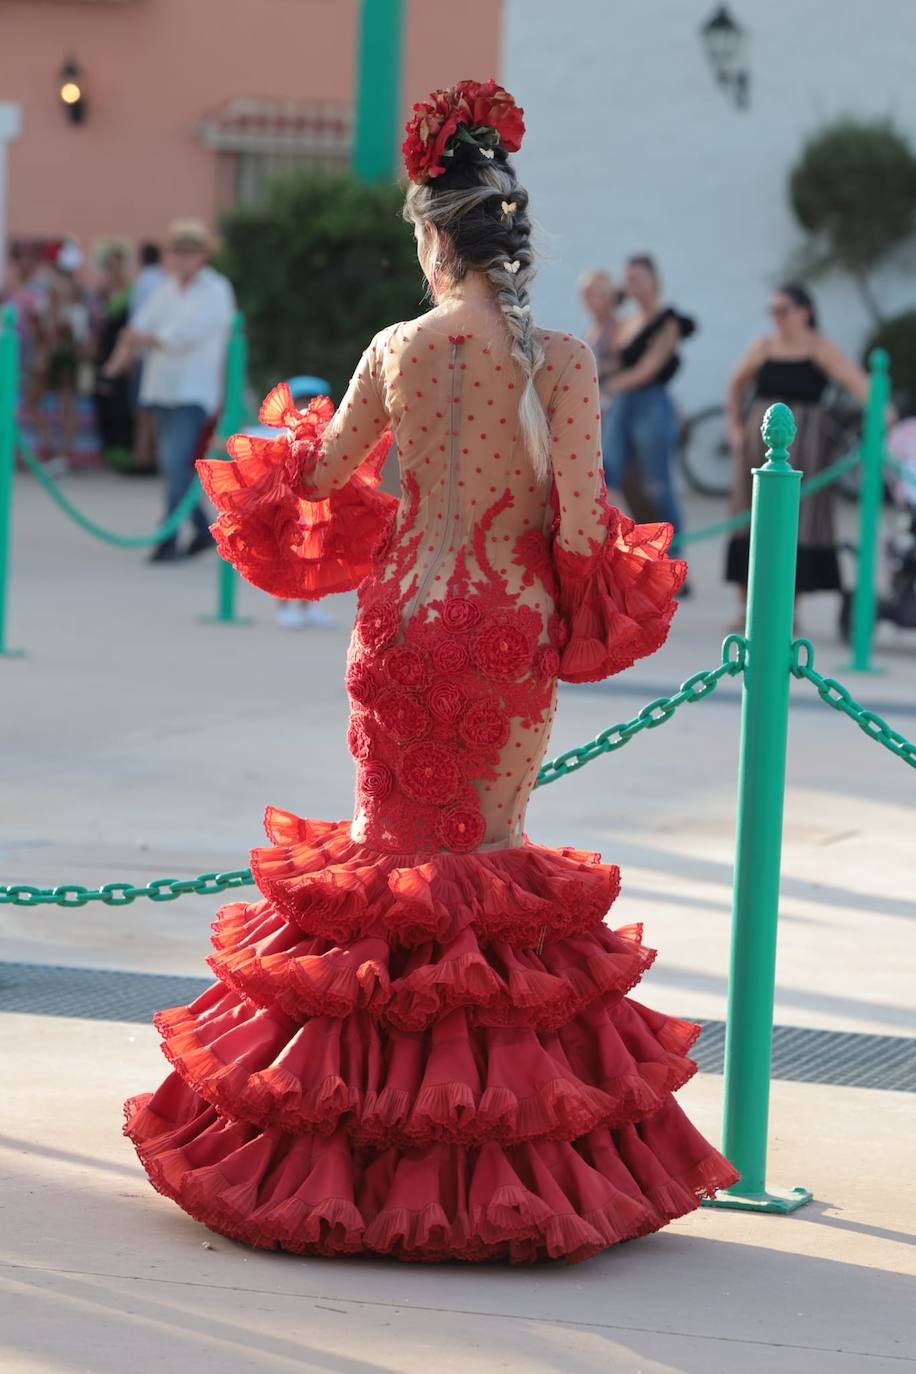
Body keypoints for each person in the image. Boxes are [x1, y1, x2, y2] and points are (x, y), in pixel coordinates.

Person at [124, 79, 738, 1263]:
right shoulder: (561, 360)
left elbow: (315, 480)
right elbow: (574, 531)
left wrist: (286, 451)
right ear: (507, 235)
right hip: (504, 629)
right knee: (486, 862)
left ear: (431, 234)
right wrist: (604, 594)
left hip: (399, 622)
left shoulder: (396, 349)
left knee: (388, 857)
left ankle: (349, 1150)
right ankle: (483, 1161)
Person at [724, 282, 873, 630]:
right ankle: (747, 607)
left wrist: (886, 421)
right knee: (748, 517)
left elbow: (860, 385)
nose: (778, 318)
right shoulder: (762, 347)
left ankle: (788, 610)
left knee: (799, 521)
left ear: (805, 311)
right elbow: (735, 384)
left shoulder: (821, 349)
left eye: (784, 309)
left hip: (806, 448)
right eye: (773, 311)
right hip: (756, 444)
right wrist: (734, 427)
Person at [104, 220, 235, 560]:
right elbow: (140, 323)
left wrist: (144, 339)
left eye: (189, 251)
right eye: (177, 251)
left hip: (193, 391)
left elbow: (184, 334)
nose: (181, 258)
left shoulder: (216, 290)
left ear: (203, 256)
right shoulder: (165, 288)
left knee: (176, 464)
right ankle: (202, 528)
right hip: (162, 388)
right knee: (174, 465)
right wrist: (126, 350)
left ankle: (168, 537)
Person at [602, 255, 694, 563]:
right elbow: (611, 360)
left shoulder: (667, 321)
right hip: (623, 405)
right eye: (628, 280)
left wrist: (613, 384)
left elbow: (650, 366)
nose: (633, 286)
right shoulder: (625, 322)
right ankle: (639, 548)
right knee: (609, 474)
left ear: (654, 280)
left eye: (638, 278)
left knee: (657, 483)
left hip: (651, 402)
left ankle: (675, 558)